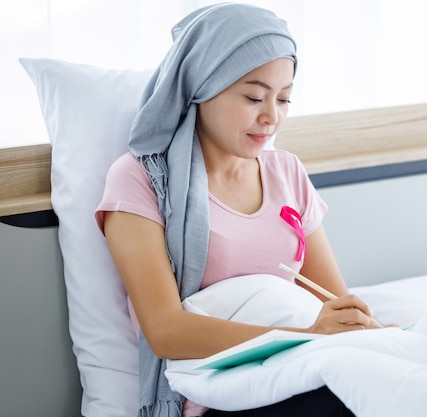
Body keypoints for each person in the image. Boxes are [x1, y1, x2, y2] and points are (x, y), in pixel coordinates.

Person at [95, 3, 379, 417]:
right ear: (201, 86)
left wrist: (368, 330)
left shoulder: (287, 172)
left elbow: (333, 303)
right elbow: (165, 331)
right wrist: (303, 336)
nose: (271, 117)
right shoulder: (141, 179)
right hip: (221, 396)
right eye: (253, 97)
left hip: (305, 366)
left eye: (284, 99)